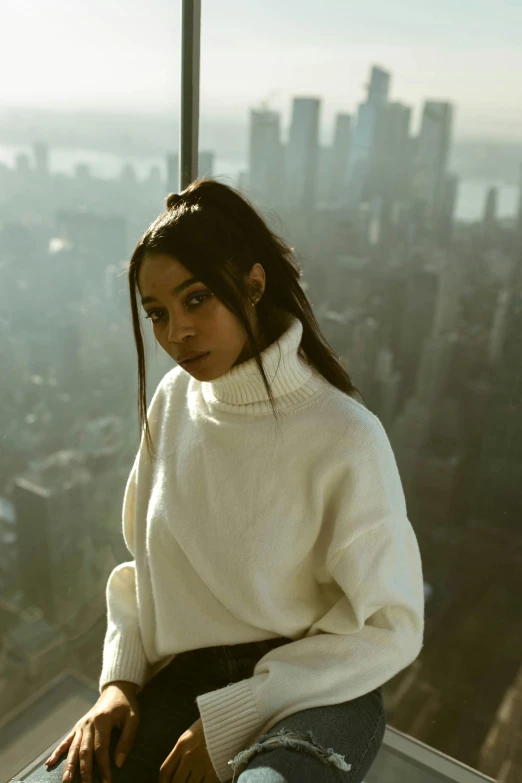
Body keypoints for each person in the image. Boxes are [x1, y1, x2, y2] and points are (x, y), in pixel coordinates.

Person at [43, 178, 424, 783]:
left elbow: (391, 625)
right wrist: (118, 681)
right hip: (191, 681)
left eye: (196, 300)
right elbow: (144, 565)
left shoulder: (345, 435)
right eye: (158, 314)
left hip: (320, 693)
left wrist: (236, 715)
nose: (176, 334)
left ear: (253, 284)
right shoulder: (172, 403)